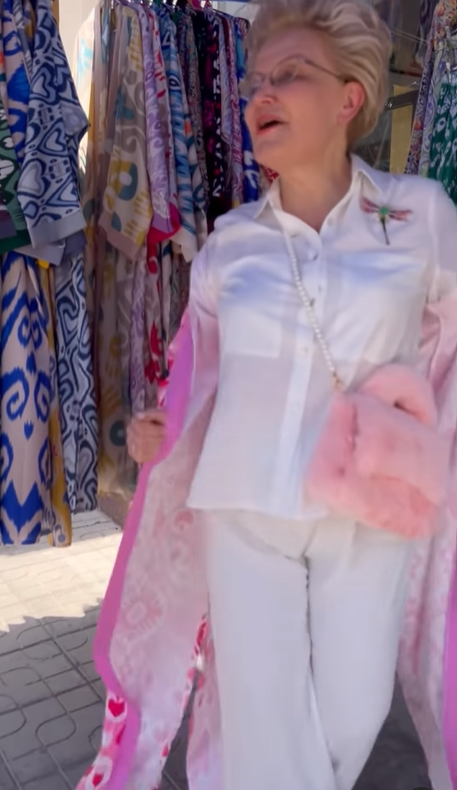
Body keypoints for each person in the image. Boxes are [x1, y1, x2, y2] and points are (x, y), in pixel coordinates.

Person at [81, 1, 457, 789]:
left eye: (290, 74)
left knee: (354, 714)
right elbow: (197, 373)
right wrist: (160, 428)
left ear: (349, 98)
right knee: (263, 720)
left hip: (370, 504)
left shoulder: (418, 215)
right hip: (243, 502)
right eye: (255, 81)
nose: (261, 95)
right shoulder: (229, 246)